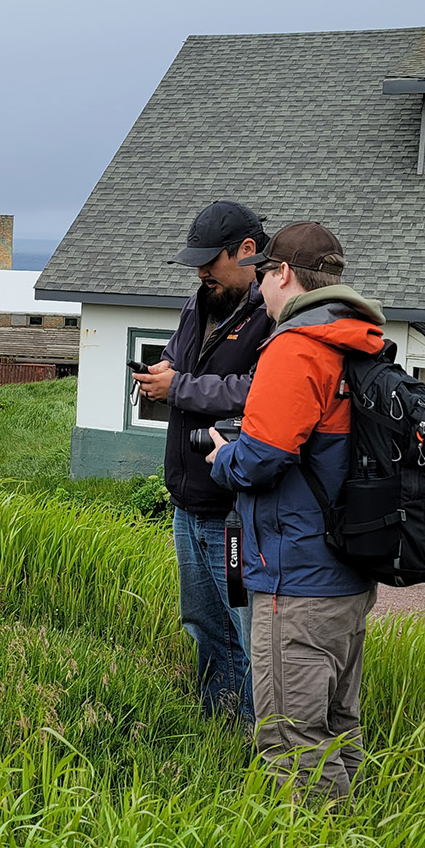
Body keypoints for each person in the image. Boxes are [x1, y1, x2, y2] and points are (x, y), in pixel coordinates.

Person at [204, 221, 385, 801]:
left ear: (282, 274)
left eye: (263, 278)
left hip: (296, 579)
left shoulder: (296, 347)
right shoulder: (358, 341)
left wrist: (222, 456)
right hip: (348, 572)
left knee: (290, 739)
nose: (258, 292)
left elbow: (262, 460)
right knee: (338, 729)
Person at [132, 201, 272, 726]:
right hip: (186, 502)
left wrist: (180, 386)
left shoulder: (275, 313)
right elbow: (178, 355)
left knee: (246, 631)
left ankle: (257, 740)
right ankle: (215, 727)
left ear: (248, 251)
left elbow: (260, 392)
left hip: (234, 511)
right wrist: (163, 370)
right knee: (203, 623)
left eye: (210, 261)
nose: (200, 271)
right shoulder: (200, 302)